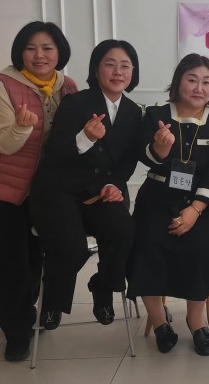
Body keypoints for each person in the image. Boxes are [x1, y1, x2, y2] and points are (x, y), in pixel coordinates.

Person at [0, 21, 77, 361]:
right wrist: (20, 127)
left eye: (47, 48)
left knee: (35, 259)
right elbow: (4, 144)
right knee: (11, 264)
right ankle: (16, 333)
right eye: (31, 48)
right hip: (0, 191)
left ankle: (28, 314)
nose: (39, 55)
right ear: (20, 52)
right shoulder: (1, 87)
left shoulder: (67, 87)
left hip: (43, 191)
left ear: (59, 52)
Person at [127, 53, 209, 357]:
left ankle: (196, 321)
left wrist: (194, 210)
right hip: (159, 197)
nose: (199, 88)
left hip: (207, 202)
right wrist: (158, 150)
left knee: (202, 246)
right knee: (145, 244)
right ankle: (159, 321)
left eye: (206, 82)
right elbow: (143, 156)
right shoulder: (155, 115)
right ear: (178, 82)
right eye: (192, 80)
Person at [30, 39, 142, 330]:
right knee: (72, 247)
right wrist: (85, 138)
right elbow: (55, 152)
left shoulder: (133, 112)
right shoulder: (76, 102)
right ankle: (53, 299)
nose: (118, 72)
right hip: (60, 190)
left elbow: (129, 158)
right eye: (110, 64)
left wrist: (116, 184)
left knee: (123, 230)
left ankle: (102, 287)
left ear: (133, 72)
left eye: (125, 66)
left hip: (100, 191)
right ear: (96, 69)